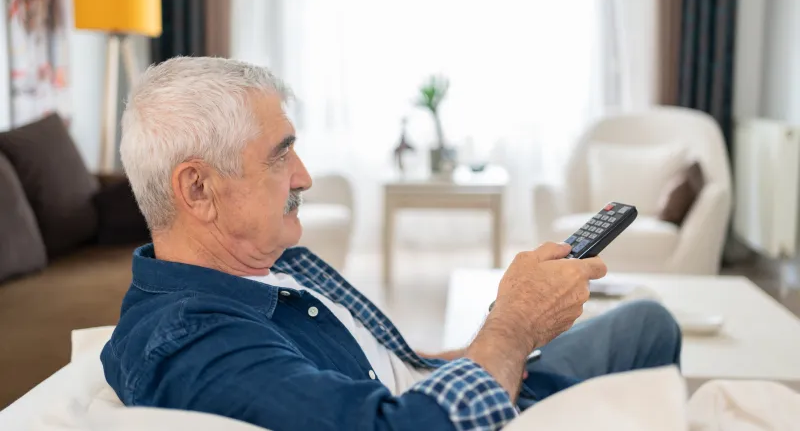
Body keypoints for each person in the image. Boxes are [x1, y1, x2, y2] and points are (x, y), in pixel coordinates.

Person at [101, 57, 681, 431]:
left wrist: (492, 338)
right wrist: (514, 328)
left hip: (440, 384)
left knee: (646, 324)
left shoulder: (262, 271)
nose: (303, 176)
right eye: (280, 154)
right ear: (198, 189)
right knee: (646, 333)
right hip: (461, 418)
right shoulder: (192, 342)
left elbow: (375, 370)